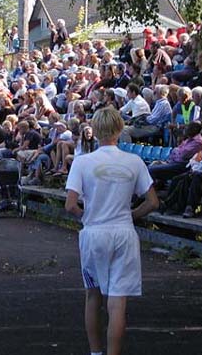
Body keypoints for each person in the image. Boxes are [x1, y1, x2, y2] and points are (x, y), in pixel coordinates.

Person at [64, 107, 159, 355]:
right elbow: (152, 201)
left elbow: (71, 204)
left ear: (94, 131)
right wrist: (131, 215)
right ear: (120, 129)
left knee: (93, 297)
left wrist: (88, 217)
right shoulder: (134, 161)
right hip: (123, 232)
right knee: (117, 303)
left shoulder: (82, 162)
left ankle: (96, 352)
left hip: (95, 232)